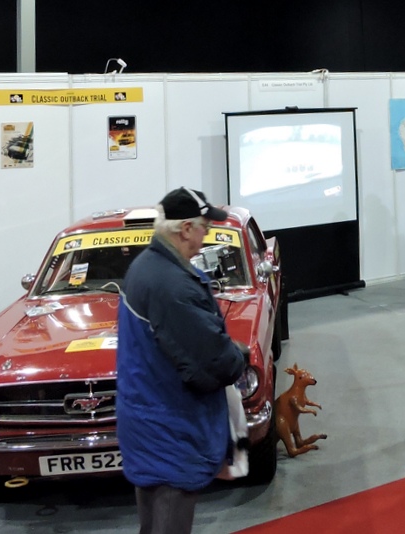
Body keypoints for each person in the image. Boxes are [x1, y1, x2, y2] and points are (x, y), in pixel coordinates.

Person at [116, 187, 247, 533]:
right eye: (205, 226)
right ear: (185, 229)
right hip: (171, 428)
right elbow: (212, 363)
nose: (207, 234)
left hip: (148, 422)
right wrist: (238, 355)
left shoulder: (147, 267)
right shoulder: (171, 285)